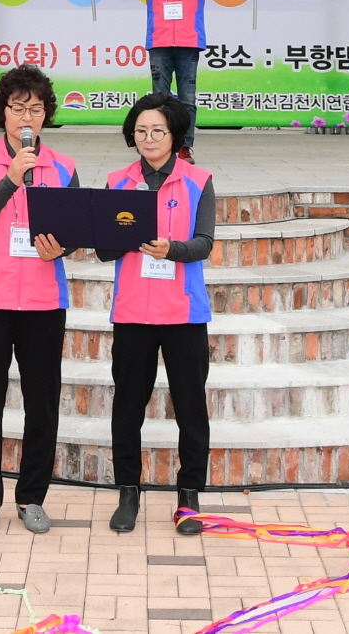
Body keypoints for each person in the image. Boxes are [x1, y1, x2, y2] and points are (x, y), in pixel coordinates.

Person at [0, 64, 80, 538]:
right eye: (18, 107)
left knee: (42, 405)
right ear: (2, 112)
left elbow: (76, 231)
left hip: (44, 301)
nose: (27, 117)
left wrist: (60, 248)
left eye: (36, 108)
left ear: (47, 115)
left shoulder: (63, 166)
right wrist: (10, 179)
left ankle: (32, 497)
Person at [101, 92, 216, 536]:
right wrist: (124, 237)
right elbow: (102, 248)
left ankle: (189, 496)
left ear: (175, 135)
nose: (149, 138)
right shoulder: (117, 182)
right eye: (141, 131)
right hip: (132, 312)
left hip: (183, 312)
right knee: (128, 407)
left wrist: (172, 250)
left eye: (158, 131)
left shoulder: (198, 181)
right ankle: (128, 492)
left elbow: (204, 243)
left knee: (191, 407)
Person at [86, 0, 257, 153]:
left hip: (189, 44)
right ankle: (160, 146)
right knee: (159, 99)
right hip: (159, 44)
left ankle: (184, 146)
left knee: (188, 100)